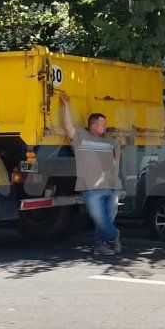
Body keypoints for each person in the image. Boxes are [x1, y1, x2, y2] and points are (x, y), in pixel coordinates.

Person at [61, 94, 122, 256]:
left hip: (112, 186)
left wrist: (116, 164)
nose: (106, 127)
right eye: (103, 124)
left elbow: (118, 146)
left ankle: (100, 245)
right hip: (91, 187)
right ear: (94, 125)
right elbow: (68, 127)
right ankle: (114, 235)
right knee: (99, 217)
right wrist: (66, 105)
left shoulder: (109, 140)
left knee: (106, 219)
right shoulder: (81, 137)